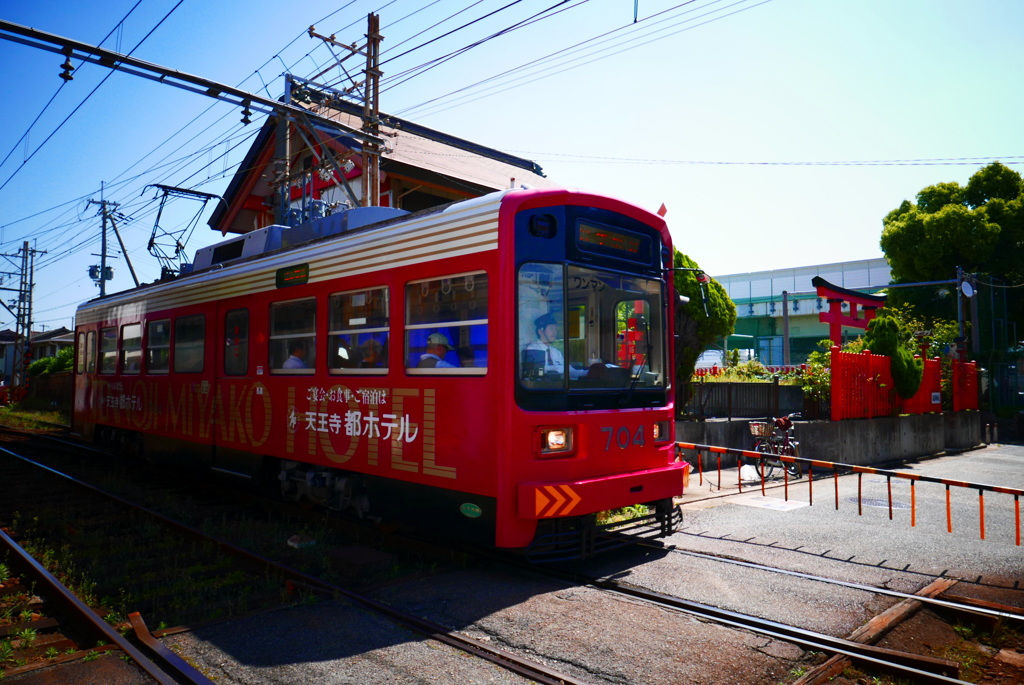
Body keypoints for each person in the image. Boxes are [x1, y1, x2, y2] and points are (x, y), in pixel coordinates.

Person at [524, 313, 585, 378]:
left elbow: (570, 371)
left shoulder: (556, 352)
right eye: (551, 329)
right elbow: (532, 370)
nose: (555, 332)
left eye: (555, 329)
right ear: (540, 332)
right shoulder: (531, 350)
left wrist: (586, 373)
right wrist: (554, 368)